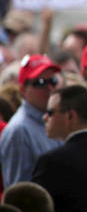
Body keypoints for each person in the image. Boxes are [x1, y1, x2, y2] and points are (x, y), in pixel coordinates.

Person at [0, 55, 62, 188]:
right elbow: (18, 191)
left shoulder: (57, 119)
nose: (49, 88)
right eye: (40, 83)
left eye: (53, 81)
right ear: (23, 89)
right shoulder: (19, 130)